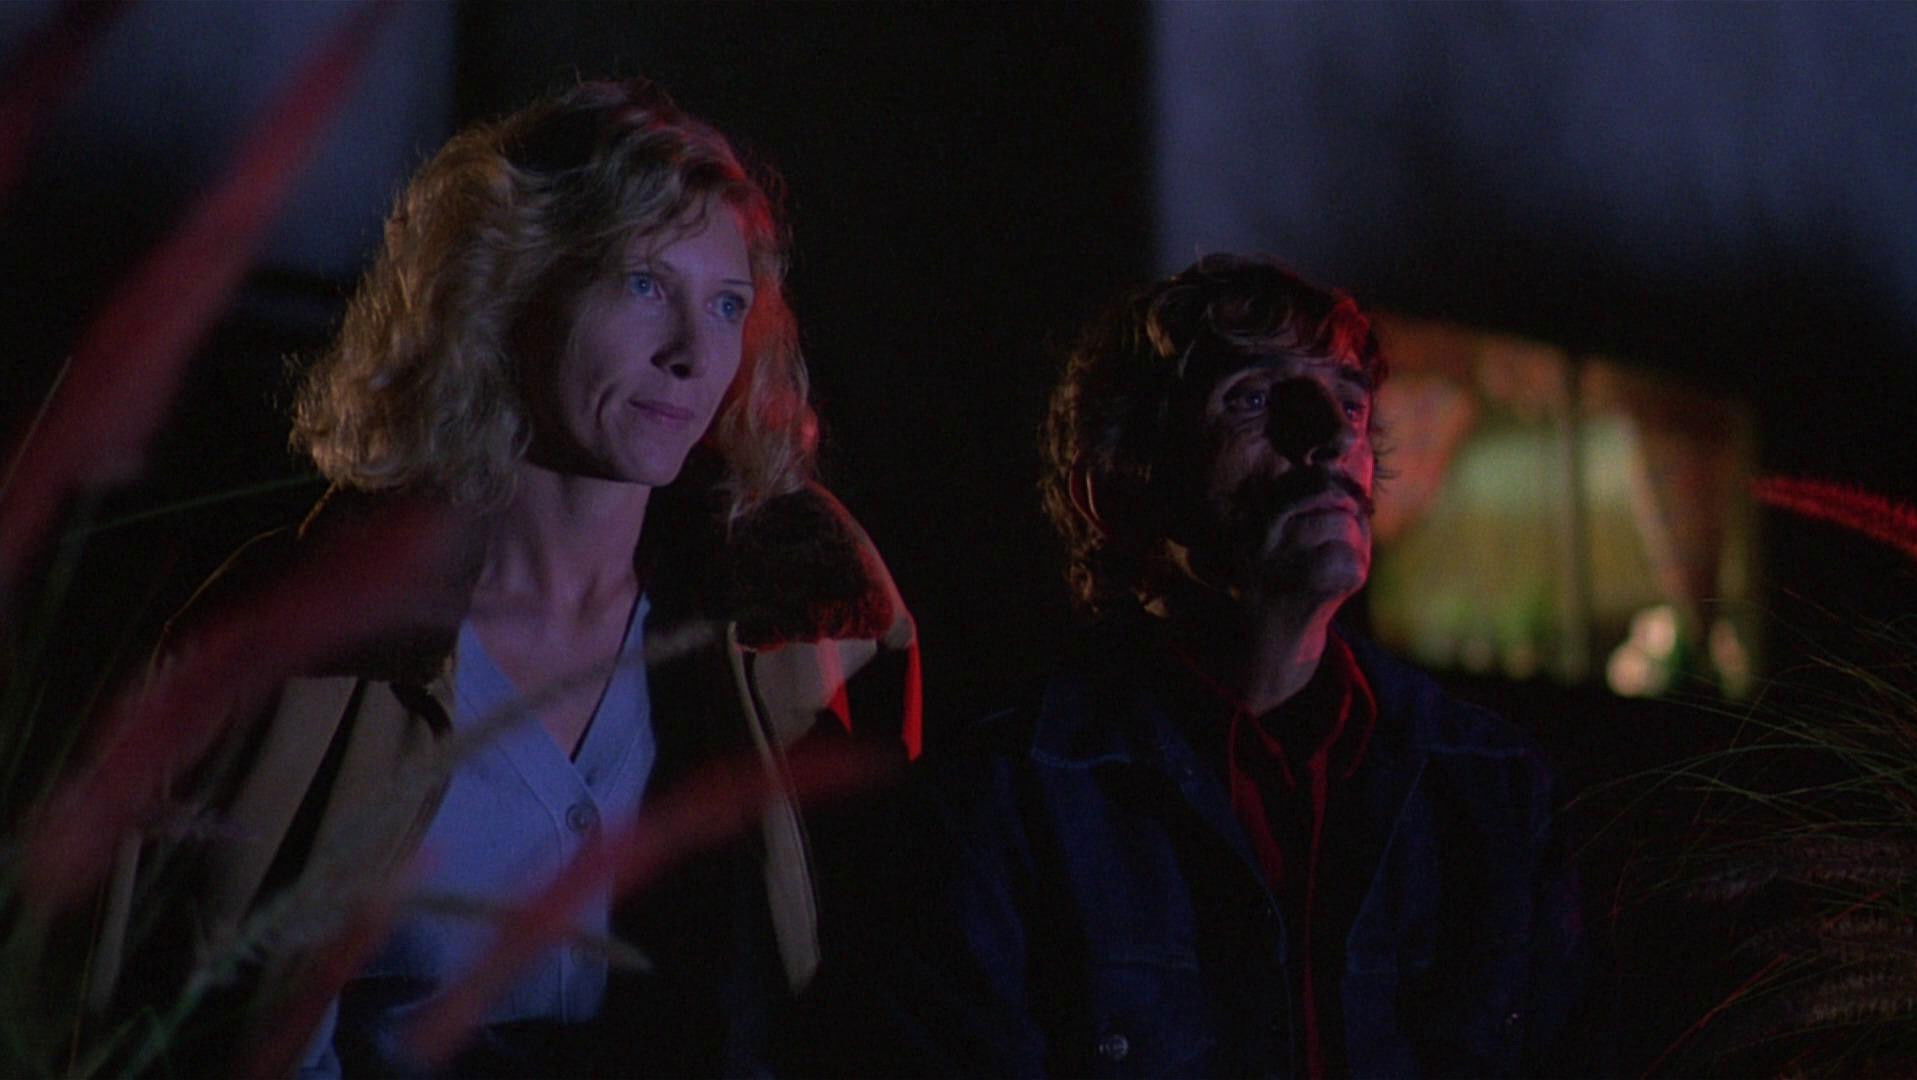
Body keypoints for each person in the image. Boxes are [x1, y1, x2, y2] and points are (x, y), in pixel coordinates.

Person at [89, 79, 918, 1076]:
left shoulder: (806, 622)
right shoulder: (302, 637)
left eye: (728, 304)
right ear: (507, 290)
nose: (695, 355)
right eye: (643, 284)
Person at [798, 254, 1580, 1077]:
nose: (1330, 434)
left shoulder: (1493, 790)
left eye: (1351, 401)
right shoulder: (1007, 803)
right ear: (1114, 492)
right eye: (1251, 398)